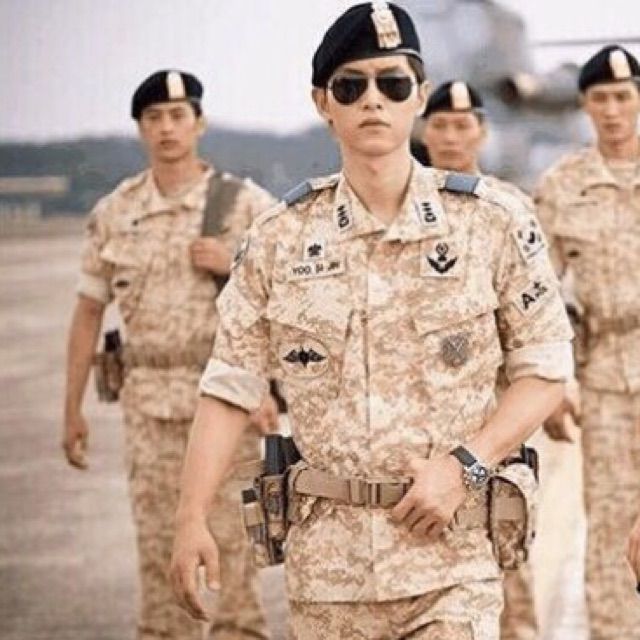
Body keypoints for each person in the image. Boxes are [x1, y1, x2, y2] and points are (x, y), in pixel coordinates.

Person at [170, 4, 572, 638]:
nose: (373, 100)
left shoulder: (492, 222)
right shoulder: (278, 239)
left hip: (453, 563)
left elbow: (545, 370)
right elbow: (228, 388)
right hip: (328, 578)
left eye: (393, 83)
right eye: (350, 85)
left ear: (421, 96)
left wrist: (466, 464)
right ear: (322, 103)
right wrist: (191, 515)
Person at [62, 69, 276, 640]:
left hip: (228, 408)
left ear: (199, 123)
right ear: (140, 129)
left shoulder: (245, 204)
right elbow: (88, 311)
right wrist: (72, 409)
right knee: (159, 553)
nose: (166, 128)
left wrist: (233, 264)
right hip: (149, 412)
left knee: (234, 553)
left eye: (178, 116)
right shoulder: (116, 212)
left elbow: (287, 303)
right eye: (153, 118)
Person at [419, 80, 538, 640]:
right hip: (419, 410)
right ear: (424, 131)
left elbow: (532, 319)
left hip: (491, 408)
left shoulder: (508, 208)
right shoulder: (403, 206)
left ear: (482, 132)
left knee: (504, 536)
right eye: (439, 125)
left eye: (462, 125)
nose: (450, 136)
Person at [534, 45, 640, 639]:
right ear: (584, 105)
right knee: (611, 525)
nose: (613, 111)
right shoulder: (564, 185)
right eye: (601, 98)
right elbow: (536, 296)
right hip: (605, 381)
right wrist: (553, 383)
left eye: (623, 96)